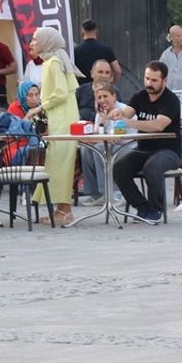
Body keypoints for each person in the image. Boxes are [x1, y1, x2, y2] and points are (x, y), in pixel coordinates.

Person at [109, 61, 182, 224]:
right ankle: (142, 207)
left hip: (168, 151)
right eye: (147, 78)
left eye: (154, 80)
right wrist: (117, 112)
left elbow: (158, 125)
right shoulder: (140, 96)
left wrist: (130, 123)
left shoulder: (171, 100)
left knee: (152, 168)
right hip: (143, 149)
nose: (149, 83)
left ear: (165, 81)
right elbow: (125, 113)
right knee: (119, 167)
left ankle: (156, 208)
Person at [28, 26, 81, 225]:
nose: (32, 43)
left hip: (61, 120)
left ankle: (65, 210)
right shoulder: (57, 59)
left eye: (35, 39)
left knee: (59, 165)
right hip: (65, 118)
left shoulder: (52, 62)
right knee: (60, 164)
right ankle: (61, 209)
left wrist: (37, 109)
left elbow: (58, 94)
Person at [80, 81, 129, 205]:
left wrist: (102, 132)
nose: (102, 100)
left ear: (114, 96)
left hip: (127, 145)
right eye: (99, 98)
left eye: (105, 96)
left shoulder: (123, 110)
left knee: (101, 148)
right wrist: (101, 122)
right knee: (86, 149)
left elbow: (118, 136)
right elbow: (97, 134)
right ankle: (95, 193)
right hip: (110, 145)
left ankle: (112, 192)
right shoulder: (100, 113)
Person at [73, 20, 120, 85]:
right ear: (96, 31)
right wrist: (112, 84)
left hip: (83, 90)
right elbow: (117, 71)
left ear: (82, 31)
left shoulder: (75, 51)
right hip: (102, 88)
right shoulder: (106, 49)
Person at [159, 25, 182, 93]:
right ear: (171, 37)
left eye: (181, 36)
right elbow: (160, 74)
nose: (180, 38)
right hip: (169, 93)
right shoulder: (165, 55)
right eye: (177, 36)